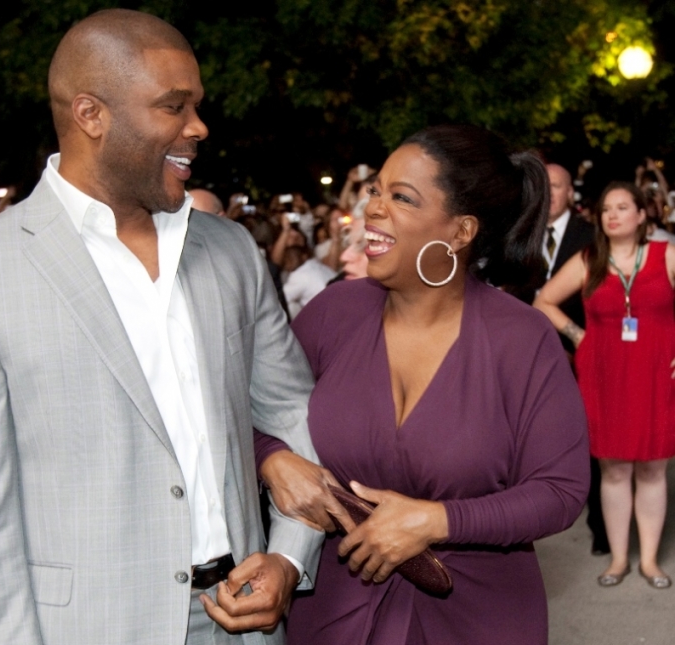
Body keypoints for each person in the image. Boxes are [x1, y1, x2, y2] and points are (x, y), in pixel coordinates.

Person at [0, 9, 328, 645]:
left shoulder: (231, 250)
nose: (198, 126)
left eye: (197, 105)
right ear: (91, 115)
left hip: (246, 619)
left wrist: (289, 557)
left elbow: (293, 412)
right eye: (173, 106)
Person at [256, 124, 590, 644]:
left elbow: (560, 490)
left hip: (479, 616)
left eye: (402, 197)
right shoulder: (332, 313)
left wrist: (439, 521)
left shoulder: (522, 339)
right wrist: (273, 459)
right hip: (335, 611)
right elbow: (255, 414)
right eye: (376, 191)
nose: (373, 208)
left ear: (460, 232)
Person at [534, 182, 675, 590]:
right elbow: (543, 302)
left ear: (642, 215)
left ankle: (649, 560)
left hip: (655, 372)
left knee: (653, 468)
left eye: (622, 207)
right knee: (613, 470)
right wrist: (578, 336)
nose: (612, 215)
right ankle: (618, 559)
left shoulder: (666, 255)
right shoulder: (589, 259)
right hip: (604, 374)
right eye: (606, 209)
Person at [542, 163, 607, 555]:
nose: (548, 193)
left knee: (592, 436)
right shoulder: (518, 232)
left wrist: (577, 339)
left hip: (578, 352)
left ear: (570, 192)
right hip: (525, 357)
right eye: (542, 186)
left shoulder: (590, 237)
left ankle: (601, 525)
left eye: (556, 186)